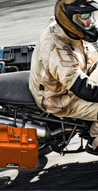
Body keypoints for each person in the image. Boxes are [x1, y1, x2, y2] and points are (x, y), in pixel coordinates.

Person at [29, 0, 98, 155]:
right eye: (84, 15)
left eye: (91, 14)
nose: (90, 20)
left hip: (77, 71)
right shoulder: (59, 50)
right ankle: (95, 141)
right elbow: (83, 89)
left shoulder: (65, 27)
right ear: (69, 18)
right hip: (61, 98)